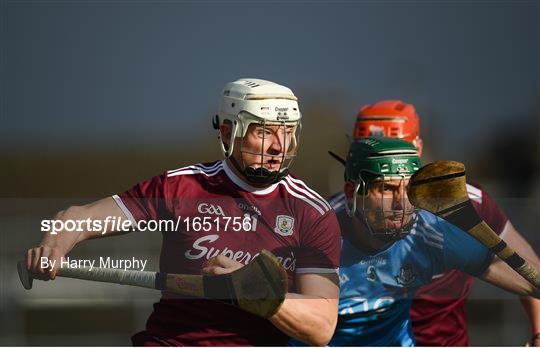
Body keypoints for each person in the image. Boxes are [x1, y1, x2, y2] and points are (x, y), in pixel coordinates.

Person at [25, 78, 341, 346]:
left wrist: (260, 293)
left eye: (286, 132)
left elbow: (321, 326)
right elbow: (80, 218)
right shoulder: (180, 188)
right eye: (264, 131)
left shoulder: (311, 212)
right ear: (229, 133)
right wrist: (53, 248)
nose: (278, 146)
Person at [336, 100, 540, 346]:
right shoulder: (328, 218)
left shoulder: (462, 204)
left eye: (400, 145)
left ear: (417, 149)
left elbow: (524, 268)